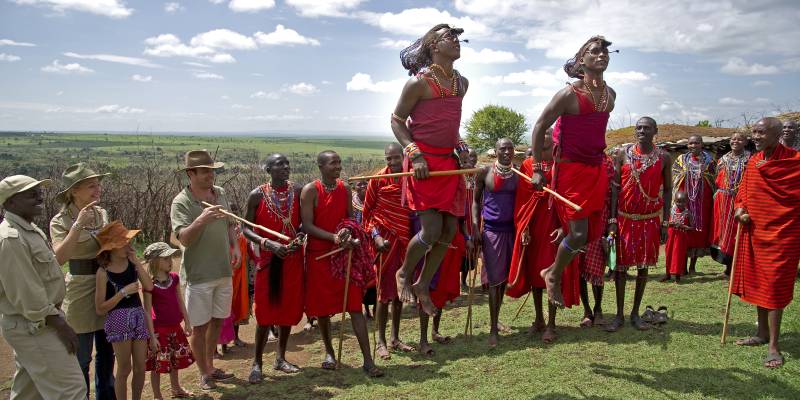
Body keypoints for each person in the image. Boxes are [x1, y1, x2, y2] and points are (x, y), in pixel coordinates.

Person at [530, 36, 616, 308]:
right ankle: (552, 275)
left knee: (591, 234)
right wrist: (537, 168)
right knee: (578, 234)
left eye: (605, 51)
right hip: (571, 170)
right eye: (594, 51)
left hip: (596, 169)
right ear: (582, 61)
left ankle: (552, 272)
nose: (601, 55)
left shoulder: (611, 95)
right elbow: (540, 126)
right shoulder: (568, 94)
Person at [391, 23, 471, 316]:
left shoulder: (461, 83)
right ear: (434, 46)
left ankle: (423, 284)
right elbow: (397, 121)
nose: (456, 41)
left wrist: (463, 149)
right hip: (423, 163)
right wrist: (415, 154)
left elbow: (451, 127)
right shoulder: (418, 83)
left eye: (457, 37)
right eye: (449, 37)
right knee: (432, 228)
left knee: (450, 229)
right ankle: (404, 273)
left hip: (448, 163)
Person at [0, 175, 87, 400]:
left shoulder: (28, 230)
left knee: (29, 393)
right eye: (31, 194)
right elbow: (27, 293)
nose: (39, 196)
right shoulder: (11, 239)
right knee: (71, 391)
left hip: (36, 322)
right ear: (10, 202)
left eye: (39, 191)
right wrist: (59, 323)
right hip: (37, 325)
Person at [300, 150, 383, 377]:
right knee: (323, 310)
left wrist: (346, 230)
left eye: (339, 162)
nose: (337, 167)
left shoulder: (344, 189)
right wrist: (333, 238)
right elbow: (306, 225)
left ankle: (367, 360)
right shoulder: (310, 191)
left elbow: (348, 218)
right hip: (320, 256)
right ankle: (329, 352)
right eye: (332, 163)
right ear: (320, 166)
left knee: (355, 306)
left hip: (344, 255)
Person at [732, 117, 800, 368]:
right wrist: (740, 209)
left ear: (777, 134)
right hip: (755, 233)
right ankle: (761, 334)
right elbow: (743, 193)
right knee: (759, 283)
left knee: (774, 287)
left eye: (761, 132)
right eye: (754, 133)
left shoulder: (795, 162)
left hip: (784, 235)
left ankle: (773, 346)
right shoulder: (754, 161)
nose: (756, 137)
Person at [170, 149, 241, 390]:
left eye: (212, 170)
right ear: (190, 173)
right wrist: (202, 218)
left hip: (223, 269)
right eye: (204, 171)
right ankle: (203, 372)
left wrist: (235, 247)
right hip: (199, 274)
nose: (210, 175)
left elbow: (230, 222)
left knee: (218, 320)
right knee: (199, 326)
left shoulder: (219, 192)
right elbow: (184, 240)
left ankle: (210, 366)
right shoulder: (181, 202)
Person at [49, 162, 116, 400]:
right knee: (82, 355)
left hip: (105, 284)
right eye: (91, 186)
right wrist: (78, 226)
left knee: (108, 353)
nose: (97, 190)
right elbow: (59, 257)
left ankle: (106, 395)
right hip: (79, 289)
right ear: (74, 191)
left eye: (98, 185)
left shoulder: (102, 214)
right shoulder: (60, 221)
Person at [507, 131, 581, 343]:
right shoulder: (529, 166)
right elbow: (522, 200)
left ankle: (551, 324)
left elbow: (569, 200)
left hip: (554, 228)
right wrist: (525, 228)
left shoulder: (563, 165)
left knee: (551, 275)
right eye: (541, 148)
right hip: (534, 228)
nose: (544, 152)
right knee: (533, 274)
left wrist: (564, 228)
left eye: (548, 148)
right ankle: (539, 319)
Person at [242, 153, 305, 383]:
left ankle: (280, 358)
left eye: (287, 163)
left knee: (287, 310)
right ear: (268, 169)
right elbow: (246, 228)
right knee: (266, 313)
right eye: (279, 164)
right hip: (268, 260)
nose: (286, 167)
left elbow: (303, 223)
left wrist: (299, 237)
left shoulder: (297, 191)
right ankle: (257, 363)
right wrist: (266, 242)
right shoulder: (257, 195)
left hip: (292, 259)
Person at [607, 117, 672, 331]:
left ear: (655, 131)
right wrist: (613, 220)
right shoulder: (621, 154)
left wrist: (665, 222)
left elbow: (669, 190)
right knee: (620, 269)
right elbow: (615, 189)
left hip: (649, 220)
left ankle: (635, 314)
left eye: (646, 128)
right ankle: (619, 315)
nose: (641, 131)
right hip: (624, 219)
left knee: (643, 267)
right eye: (638, 128)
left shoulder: (664, 157)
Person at [362, 143, 416, 360]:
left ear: (403, 158)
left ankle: (395, 338)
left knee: (399, 293)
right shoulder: (377, 179)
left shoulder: (409, 176)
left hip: (405, 241)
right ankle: (381, 342)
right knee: (383, 294)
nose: (392, 163)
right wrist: (375, 236)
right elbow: (367, 214)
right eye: (388, 159)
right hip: (384, 242)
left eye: (396, 158)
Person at [94, 221, 154, 400]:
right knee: (124, 368)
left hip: (138, 315)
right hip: (118, 320)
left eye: (128, 242)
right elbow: (100, 308)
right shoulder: (103, 272)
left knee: (140, 367)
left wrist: (137, 262)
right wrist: (122, 293)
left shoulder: (132, 264)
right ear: (110, 248)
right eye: (123, 243)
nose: (128, 246)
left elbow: (149, 286)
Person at [472, 138, 519, 347]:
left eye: (510, 148)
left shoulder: (518, 174)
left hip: (512, 231)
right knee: (493, 280)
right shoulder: (484, 172)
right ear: (496, 151)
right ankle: (492, 330)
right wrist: (475, 226)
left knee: (502, 282)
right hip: (491, 232)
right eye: (503, 149)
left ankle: (496, 319)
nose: (507, 152)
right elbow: (475, 201)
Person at [142, 242, 194, 400]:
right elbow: (147, 310)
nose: (170, 261)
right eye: (166, 258)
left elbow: (180, 301)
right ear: (155, 261)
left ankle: (176, 388)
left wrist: (187, 321)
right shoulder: (149, 285)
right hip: (159, 331)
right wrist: (151, 336)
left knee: (175, 360)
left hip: (175, 328)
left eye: (170, 257)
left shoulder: (174, 278)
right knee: (157, 366)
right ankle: (158, 396)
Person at [576, 153, 614, 327]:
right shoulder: (577, 159)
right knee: (579, 265)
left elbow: (614, 192)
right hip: (580, 216)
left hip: (601, 217)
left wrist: (611, 222)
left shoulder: (608, 162)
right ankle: (587, 311)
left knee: (597, 266)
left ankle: (598, 309)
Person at [672, 135, 716, 274]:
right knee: (684, 230)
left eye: (696, 143)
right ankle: (682, 266)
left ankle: (692, 267)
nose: (693, 146)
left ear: (702, 144)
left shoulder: (709, 161)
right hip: (685, 202)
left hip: (702, 202)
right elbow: (675, 176)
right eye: (690, 143)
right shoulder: (681, 160)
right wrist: (686, 174)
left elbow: (714, 178)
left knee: (698, 232)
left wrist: (702, 175)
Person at [711, 132, 751, 275]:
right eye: (733, 139)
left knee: (737, 231)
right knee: (723, 233)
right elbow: (717, 179)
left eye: (740, 139)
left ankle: (739, 268)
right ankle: (727, 267)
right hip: (723, 201)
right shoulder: (723, 159)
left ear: (745, 142)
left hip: (741, 200)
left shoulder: (750, 159)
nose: (736, 141)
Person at [662, 191, 692, 283]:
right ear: (674, 201)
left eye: (683, 201)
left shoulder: (687, 213)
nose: (680, 204)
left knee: (678, 256)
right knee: (669, 254)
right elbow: (664, 223)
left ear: (686, 201)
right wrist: (671, 223)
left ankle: (677, 276)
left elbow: (691, 227)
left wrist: (683, 226)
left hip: (680, 238)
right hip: (671, 235)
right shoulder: (671, 211)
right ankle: (668, 275)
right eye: (678, 201)